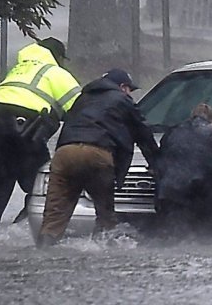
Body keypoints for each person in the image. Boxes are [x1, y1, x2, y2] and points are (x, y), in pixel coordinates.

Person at [0, 37, 81, 236]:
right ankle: (19, 233)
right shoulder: (56, 73)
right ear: (58, 57)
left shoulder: (18, 70)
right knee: (48, 187)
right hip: (24, 135)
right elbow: (82, 109)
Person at [37, 68, 159, 247]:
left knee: (54, 216)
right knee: (105, 214)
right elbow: (143, 134)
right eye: (130, 90)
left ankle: (43, 249)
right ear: (123, 87)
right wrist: (157, 164)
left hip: (64, 154)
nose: (130, 94)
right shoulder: (122, 100)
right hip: (97, 154)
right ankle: (103, 252)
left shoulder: (82, 99)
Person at [154, 103, 212, 240]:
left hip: (172, 192)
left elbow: (161, 160)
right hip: (205, 193)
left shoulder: (172, 132)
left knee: (174, 238)